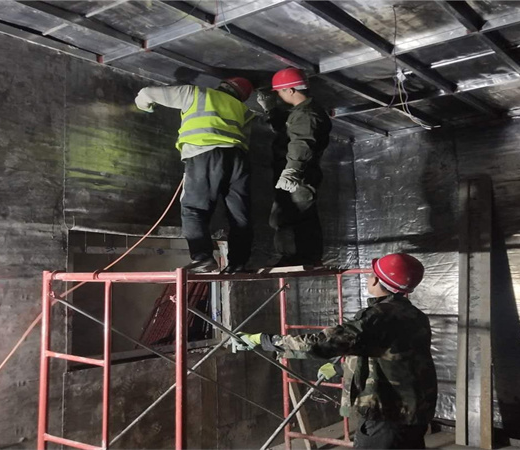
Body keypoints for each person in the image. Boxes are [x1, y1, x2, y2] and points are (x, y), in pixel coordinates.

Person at [234, 253, 437, 449]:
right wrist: (339, 368)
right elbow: (388, 355)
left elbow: (321, 343)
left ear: (377, 280)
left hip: (387, 414)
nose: (369, 278)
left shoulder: (378, 317)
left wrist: (264, 340)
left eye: (371, 275)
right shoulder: (415, 315)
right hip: (415, 411)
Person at [135, 78, 255, 273]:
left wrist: (145, 107)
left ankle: (203, 258)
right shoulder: (245, 111)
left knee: (194, 209)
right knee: (239, 215)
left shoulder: (197, 94)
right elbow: (245, 139)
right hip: (238, 159)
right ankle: (238, 263)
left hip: (204, 153)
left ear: (223, 85)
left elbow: (146, 93)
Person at [257, 68, 332, 267]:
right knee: (298, 215)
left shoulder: (306, 114)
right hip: (300, 172)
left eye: (279, 92)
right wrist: (271, 110)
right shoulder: (302, 112)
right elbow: (287, 132)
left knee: (288, 215)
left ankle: (296, 257)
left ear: (290, 90)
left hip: (299, 174)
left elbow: (302, 142)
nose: (278, 96)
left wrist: (293, 170)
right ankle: (305, 257)